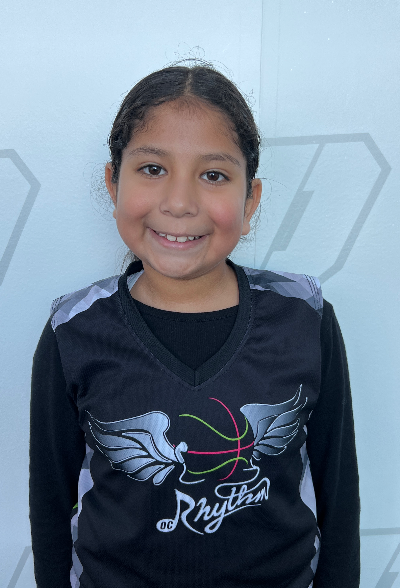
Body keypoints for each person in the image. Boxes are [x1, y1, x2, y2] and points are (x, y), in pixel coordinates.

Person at [29, 63, 360, 588]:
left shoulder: (305, 318)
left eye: (213, 175)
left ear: (250, 200)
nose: (180, 204)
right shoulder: (74, 329)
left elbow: (338, 498)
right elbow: (50, 504)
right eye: (152, 168)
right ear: (113, 182)